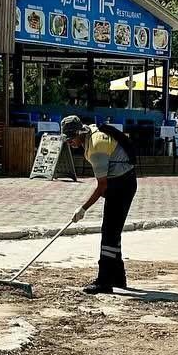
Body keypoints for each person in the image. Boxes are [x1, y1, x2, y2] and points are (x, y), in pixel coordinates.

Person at [61, 114, 138, 294]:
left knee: (109, 233)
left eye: (71, 139)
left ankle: (104, 281)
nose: (69, 143)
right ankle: (118, 277)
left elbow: (102, 186)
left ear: (79, 133)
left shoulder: (96, 147)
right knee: (113, 231)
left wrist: (83, 209)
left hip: (122, 184)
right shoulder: (92, 131)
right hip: (120, 181)